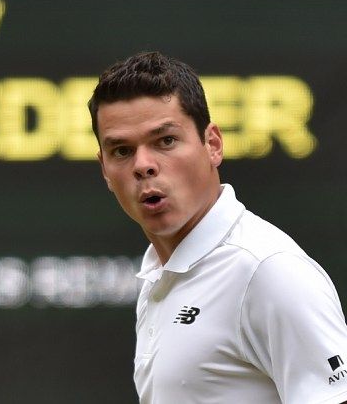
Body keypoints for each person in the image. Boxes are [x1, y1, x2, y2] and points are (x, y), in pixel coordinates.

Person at [88, 51, 347, 403]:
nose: (143, 165)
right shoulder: (159, 273)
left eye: (166, 141)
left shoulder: (267, 270)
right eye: (121, 151)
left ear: (212, 145)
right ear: (104, 170)